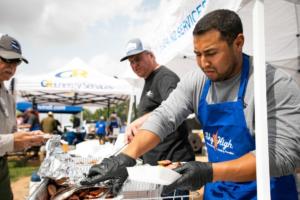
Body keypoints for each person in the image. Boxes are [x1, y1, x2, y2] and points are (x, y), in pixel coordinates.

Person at [81, 9, 300, 199]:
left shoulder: (272, 83)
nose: (204, 63)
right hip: (218, 192)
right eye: (197, 54)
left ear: (238, 43)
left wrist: (209, 171)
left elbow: (284, 156)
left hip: (266, 193)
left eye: (211, 53)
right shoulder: (198, 81)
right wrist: (126, 156)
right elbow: (165, 115)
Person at [0, 34, 45, 200]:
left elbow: (11, 135)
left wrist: (28, 139)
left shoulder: (9, 95)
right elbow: (11, 138)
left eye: (16, 62)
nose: (12, 67)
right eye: (7, 60)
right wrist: (13, 139)